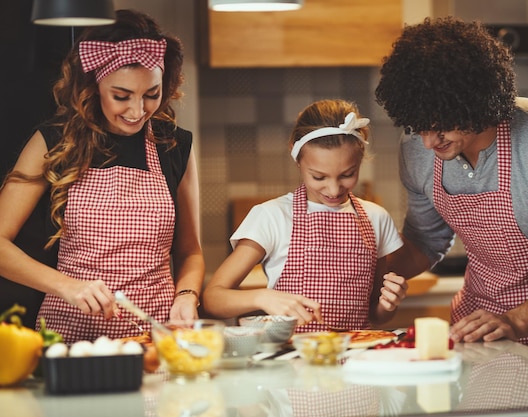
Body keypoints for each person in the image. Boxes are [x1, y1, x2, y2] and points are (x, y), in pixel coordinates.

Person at [374, 17, 528, 369]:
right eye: (418, 126)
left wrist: (514, 322)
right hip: (479, 324)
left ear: (475, 102)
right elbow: (424, 241)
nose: (428, 142)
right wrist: (357, 274)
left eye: (441, 126)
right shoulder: (418, 147)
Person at [0, 9, 204, 343]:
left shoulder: (174, 145)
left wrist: (187, 295)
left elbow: (190, 251)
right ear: (94, 85)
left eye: (151, 94)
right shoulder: (55, 141)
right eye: (121, 96)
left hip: (155, 339)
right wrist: (65, 285)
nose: (138, 111)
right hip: (69, 340)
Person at [203, 99, 407, 332]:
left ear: (360, 160)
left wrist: (388, 305)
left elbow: (376, 316)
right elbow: (212, 299)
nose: (333, 189)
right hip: (293, 360)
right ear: (296, 155)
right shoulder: (272, 217)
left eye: (347, 175)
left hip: (353, 358)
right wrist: (262, 297)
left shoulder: (376, 218)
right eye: (319, 177)